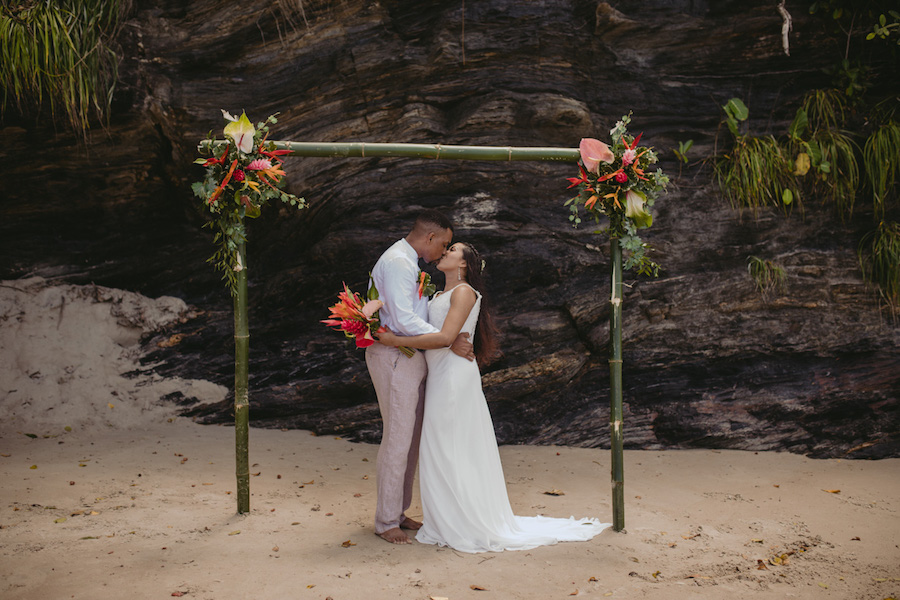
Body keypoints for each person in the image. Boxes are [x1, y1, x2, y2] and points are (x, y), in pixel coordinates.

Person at [378, 242, 611, 553]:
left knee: (452, 447)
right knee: (440, 448)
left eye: (453, 249)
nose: (446, 251)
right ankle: (447, 516)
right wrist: (447, 341)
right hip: (440, 376)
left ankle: (462, 520)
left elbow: (445, 337)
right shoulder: (437, 295)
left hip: (453, 380)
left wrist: (395, 339)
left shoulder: (464, 292)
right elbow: (440, 334)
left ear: (464, 264)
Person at [365, 210, 475, 545]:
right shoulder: (399, 262)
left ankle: (397, 511)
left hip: (409, 356)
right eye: (443, 243)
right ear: (430, 237)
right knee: (398, 437)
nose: (443, 251)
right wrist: (447, 337)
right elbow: (402, 320)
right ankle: (385, 521)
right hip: (397, 356)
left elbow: (411, 313)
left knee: (410, 439)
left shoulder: (408, 262)